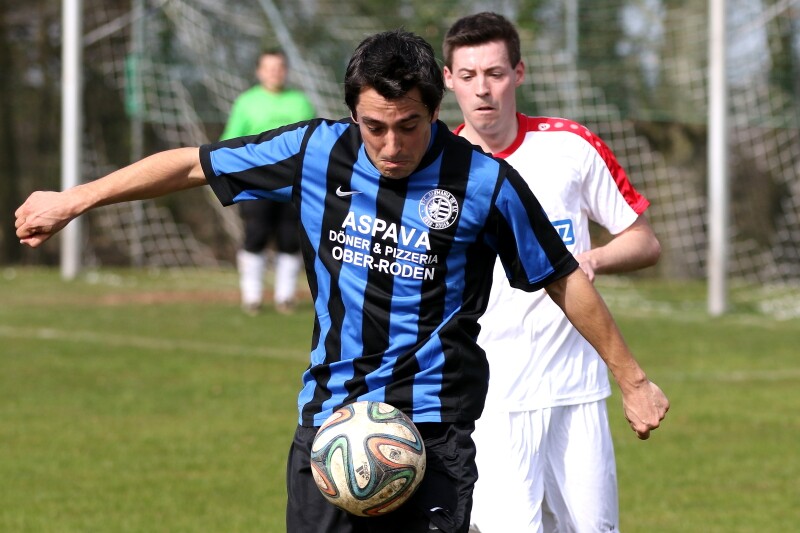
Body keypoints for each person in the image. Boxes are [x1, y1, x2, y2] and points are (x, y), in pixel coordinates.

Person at [15, 29, 668, 533]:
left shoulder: (485, 182)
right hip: (330, 425)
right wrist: (74, 199)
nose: (391, 145)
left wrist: (632, 379)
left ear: (434, 110)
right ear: (352, 112)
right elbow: (191, 165)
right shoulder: (315, 150)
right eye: (374, 127)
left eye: (409, 126)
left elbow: (562, 277)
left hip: (433, 431)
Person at [442, 12, 663, 533]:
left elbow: (644, 240)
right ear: (449, 79)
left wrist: (594, 259)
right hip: (490, 399)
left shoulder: (570, 146)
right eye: (468, 76)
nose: (482, 89)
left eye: (495, 73)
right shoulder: (438, 168)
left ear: (519, 73)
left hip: (576, 391)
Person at [221, 49, 316, 315]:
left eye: (279, 67)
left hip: (293, 182)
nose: (275, 72)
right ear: (259, 71)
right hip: (256, 182)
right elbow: (230, 140)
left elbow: (312, 141)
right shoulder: (246, 102)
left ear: (286, 70)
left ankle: (285, 297)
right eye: (269, 67)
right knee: (256, 234)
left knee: (290, 238)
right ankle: (251, 297)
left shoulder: (300, 102)